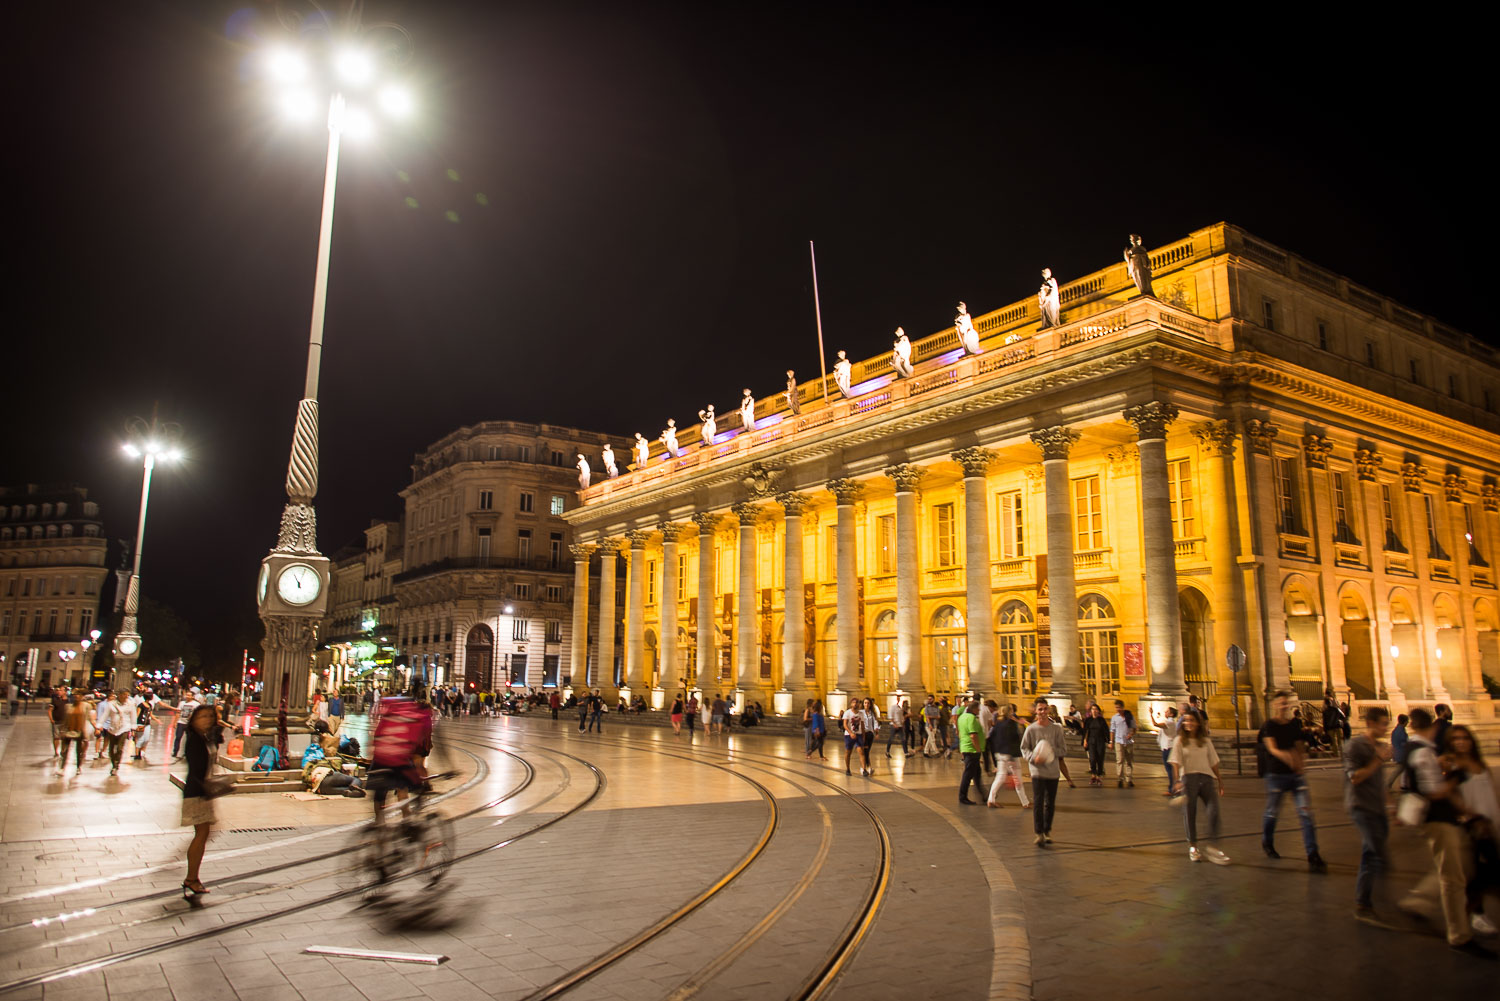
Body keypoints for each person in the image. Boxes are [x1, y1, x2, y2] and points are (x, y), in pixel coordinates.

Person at [1399, 709, 1495, 956]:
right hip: (1447, 821)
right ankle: (1462, 932)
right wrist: (1461, 801)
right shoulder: (1432, 755)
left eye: (1465, 738)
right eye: (1456, 738)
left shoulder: (1422, 751)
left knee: (1458, 871)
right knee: (1454, 877)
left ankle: (1424, 904)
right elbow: (1435, 791)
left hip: (1467, 821)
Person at [1258, 690, 1327, 872]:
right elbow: (1272, 748)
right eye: (1281, 703)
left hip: (1295, 776)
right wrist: (1287, 757)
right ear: (1275, 705)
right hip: (1276, 775)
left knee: (1306, 814)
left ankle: (1313, 854)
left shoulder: (1293, 725)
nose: (1284, 706)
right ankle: (1267, 842)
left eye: (1286, 703)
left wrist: (1300, 763)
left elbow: (1299, 746)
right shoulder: (1269, 726)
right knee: (1272, 812)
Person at [1442, 724, 1499, 936]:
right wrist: (1468, 814)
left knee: (1489, 868)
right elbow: (1448, 793)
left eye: (1464, 738)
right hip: (1472, 825)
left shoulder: (1478, 762)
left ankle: (1475, 910)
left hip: (1489, 821)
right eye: (1456, 738)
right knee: (1479, 870)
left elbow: (1491, 789)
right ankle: (1476, 913)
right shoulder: (1452, 764)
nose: (1460, 742)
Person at [1344, 706, 1393, 923]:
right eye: (1383, 723)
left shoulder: (1379, 747)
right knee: (1374, 854)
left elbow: (1378, 780)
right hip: (1360, 806)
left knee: (1371, 853)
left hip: (1377, 807)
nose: (1386, 728)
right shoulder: (1356, 746)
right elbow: (1355, 777)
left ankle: (1369, 899)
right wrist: (1379, 760)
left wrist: (1390, 804)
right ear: (1371, 723)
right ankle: (1363, 904)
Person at [1171, 710, 1230, 864]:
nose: (1188, 723)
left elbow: (1213, 761)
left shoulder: (1205, 741)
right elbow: (1175, 762)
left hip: (1206, 778)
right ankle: (1193, 847)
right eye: (1185, 720)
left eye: (1191, 720)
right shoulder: (1179, 741)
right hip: (1188, 778)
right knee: (1189, 813)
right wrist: (1176, 780)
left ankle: (1213, 846)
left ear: (1198, 722)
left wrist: (1220, 780)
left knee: (1213, 811)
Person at [368, 694, 433, 826]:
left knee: (380, 793)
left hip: (380, 758)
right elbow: (413, 740)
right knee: (406, 788)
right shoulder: (413, 717)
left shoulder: (387, 716)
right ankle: (407, 818)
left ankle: (379, 824)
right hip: (399, 759)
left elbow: (376, 737)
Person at [181, 704, 224, 898]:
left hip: (202, 792)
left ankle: (192, 878)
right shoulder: (194, 740)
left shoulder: (205, 737)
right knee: (201, 835)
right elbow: (196, 769)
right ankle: (191, 878)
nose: (206, 720)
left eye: (210, 717)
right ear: (193, 719)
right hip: (197, 793)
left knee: (204, 834)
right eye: (202, 716)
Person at [1020, 701, 1073, 846]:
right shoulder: (1031, 729)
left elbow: (1063, 749)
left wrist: (1049, 752)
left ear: (1048, 710)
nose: (1042, 712)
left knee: (1050, 802)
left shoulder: (1056, 729)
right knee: (1038, 801)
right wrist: (1033, 757)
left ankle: (1047, 830)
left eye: (1045, 709)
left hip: (1052, 771)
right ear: (1035, 712)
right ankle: (1039, 833)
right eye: (1040, 709)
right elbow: (1024, 748)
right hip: (1037, 770)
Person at [986, 703, 1031, 809]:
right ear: (1010, 712)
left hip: (1000, 754)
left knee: (1000, 777)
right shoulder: (1010, 724)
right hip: (1010, 755)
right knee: (1018, 778)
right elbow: (1013, 739)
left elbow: (992, 737)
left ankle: (991, 799)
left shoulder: (998, 723)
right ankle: (1025, 802)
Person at [957, 696, 985, 805]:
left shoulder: (962, 717)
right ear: (974, 709)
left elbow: (961, 733)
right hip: (972, 750)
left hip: (966, 747)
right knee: (968, 775)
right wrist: (978, 750)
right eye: (978, 709)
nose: (978, 711)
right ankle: (962, 796)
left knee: (977, 774)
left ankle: (984, 795)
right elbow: (973, 735)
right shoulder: (971, 718)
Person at [57, 691, 88, 775]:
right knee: (65, 751)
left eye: (79, 695)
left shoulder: (85, 706)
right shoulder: (68, 706)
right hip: (68, 730)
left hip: (79, 731)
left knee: (79, 751)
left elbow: (87, 719)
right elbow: (65, 719)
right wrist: (62, 731)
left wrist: (87, 733)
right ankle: (62, 768)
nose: (77, 697)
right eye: (75, 695)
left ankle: (78, 767)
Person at [102, 690, 133, 776]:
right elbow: (105, 715)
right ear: (119, 695)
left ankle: (116, 765)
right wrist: (100, 724)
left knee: (119, 748)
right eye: (125, 695)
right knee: (111, 749)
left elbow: (133, 716)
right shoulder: (111, 704)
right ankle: (113, 763)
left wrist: (133, 728)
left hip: (124, 728)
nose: (126, 697)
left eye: (127, 695)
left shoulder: (130, 704)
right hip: (112, 728)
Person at [1152, 706, 1180, 795]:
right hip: (1168, 747)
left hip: (1168, 748)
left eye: (1167, 711)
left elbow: (1155, 724)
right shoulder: (1171, 723)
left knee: (1170, 770)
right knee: (1171, 769)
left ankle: (1172, 789)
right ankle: (1174, 787)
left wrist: (1150, 714)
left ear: (1171, 714)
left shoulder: (1170, 722)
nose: (1165, 712)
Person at [1109, 700, 1136, 788]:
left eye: (1119, 707)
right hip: (1119, 741)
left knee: (1129, 761)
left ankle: (1129, 779)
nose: (1118, 709)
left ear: (1123, 707)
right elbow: (1112, 730)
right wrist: (1111, 742)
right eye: (1116, 707)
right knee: (1119, 760)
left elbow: (1134, 728)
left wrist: (1130, 734)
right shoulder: (1114, 718)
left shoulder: (1129, 716)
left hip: (1128, 742)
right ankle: (1120, 778)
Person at [1081, 705, 1109, 787]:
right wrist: (1085, 741)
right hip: (1091, 741)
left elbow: (1106, 731)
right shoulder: (1088, 720)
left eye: (1096, 709)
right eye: (1092, 709)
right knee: (1092, 758)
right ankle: (1093, 775)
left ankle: (1099, 776)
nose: (1094, 711)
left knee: (1100, 758)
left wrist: (1109, 741)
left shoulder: (1101, 720)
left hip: (1100, 741)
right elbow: (1085, 731)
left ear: (1098, 711)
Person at [172, 688, 201, 760]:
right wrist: (175, 722)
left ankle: (187, 752)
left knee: (189, 739)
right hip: (181, 722)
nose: (187, 696)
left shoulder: (196, 704)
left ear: (192, 696)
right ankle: (175, 751)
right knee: (178, 737)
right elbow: (178, 713)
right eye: (186, 695)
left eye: (189, 695)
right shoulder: (182, 703)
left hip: (190, 724)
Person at [841, 701, 865, 775]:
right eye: (854, 702)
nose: (855, 704)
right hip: (849, 735)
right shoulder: (847, 713)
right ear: (851, 704)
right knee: (848, 752)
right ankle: (848, 769)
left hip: (858, 734)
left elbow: (862, 725)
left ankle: (864, 769)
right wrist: (850, 733)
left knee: (861, 751)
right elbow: (844, 724)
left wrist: (863, 735)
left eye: (857, 703)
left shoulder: (861, 713)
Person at [859, 698, 879, 774]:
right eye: (865, 703)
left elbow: (875, 722)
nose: (866, 704)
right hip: (863, 734)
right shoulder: (860, 712)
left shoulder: (872, 713)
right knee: (865, 751)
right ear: (863, 704)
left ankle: (865, 767)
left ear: (870, 704)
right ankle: (867, 767)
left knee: (867, 751)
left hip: (870, 734)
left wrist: (876, 731)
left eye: (868, 703)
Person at [134, 690, 156, 761]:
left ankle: (141, 750)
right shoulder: (141, 705)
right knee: (141, 739)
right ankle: (137, 754)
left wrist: (156, 719)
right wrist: (134, 724)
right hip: (140, 723)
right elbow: (137, 714)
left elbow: (150, 714)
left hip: (147, 723)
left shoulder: (150, 705)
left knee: (146, 739)